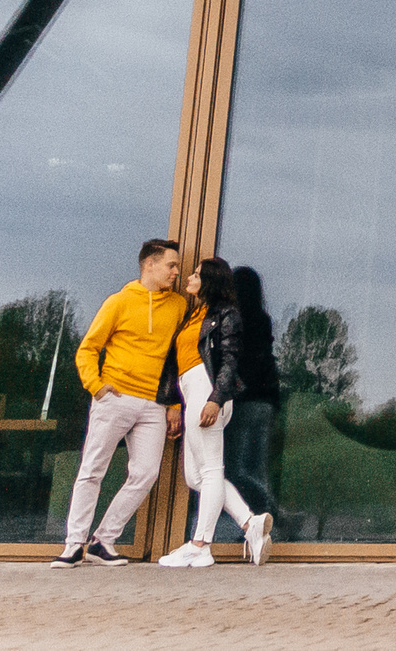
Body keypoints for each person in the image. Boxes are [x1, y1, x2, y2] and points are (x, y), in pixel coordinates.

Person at [53, 239, 188, 568]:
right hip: (115, 398)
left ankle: (103, 541)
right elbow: (87, 348)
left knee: (145, 473)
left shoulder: (179, 306)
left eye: (177, 265)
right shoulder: (119, 302)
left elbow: (176, 360)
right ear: (149, 265)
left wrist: (174, 405)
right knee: (92, 471)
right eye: (170, 265)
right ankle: (74, 544)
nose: (176, 271)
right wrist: (96, 386)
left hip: (153, 404)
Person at [158, 257, 271, 567]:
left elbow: (230, 359)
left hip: (206, 388)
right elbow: (174, 364)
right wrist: (174, 403)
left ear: (209, 281)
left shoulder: (226, 314)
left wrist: (215, 398)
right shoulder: (194, 315)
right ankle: (250, 523)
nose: (189, 278)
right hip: (189, 389)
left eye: (196, 274)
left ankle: (200, 544)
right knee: (196, 477)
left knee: (209, 470)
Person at [222, 266, 281, 537]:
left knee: (235, 469)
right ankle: (266, 520)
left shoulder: (235, 318)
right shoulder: (263, 319)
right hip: (266, 402)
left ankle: (269, 514)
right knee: (257, 468)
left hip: (245, 402)